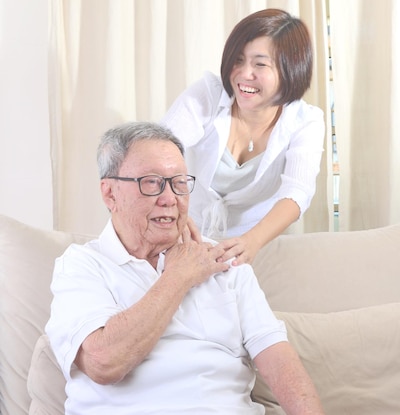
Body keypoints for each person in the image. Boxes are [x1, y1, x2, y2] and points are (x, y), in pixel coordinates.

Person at [45, 122, 324, 414]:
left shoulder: (224, 261)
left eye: (179, 183)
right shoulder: (81, 266)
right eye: (151, 183)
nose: (170, 200)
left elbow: (279, 361)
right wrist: (179, 276)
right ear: (110, 194)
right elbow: (104, 362)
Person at [161, 8, 325, 266]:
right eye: (238, 60)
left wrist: (252, 242)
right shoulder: (208, 94)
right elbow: (160, 151)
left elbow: (297, 192)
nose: (243, 73)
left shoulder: (306, 121)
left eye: (260, 64)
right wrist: (175, 217)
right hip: (185, 235)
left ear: (290, 69)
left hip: (253, 245)